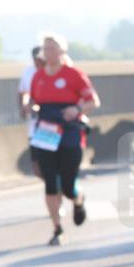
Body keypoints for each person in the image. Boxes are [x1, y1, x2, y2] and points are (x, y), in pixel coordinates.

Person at [26, 33, 100, 246]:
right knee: (50, 182)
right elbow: (34, 100)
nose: (48, 52)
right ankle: (57, 228)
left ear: (62, 51)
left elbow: (93, 101)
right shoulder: (38, 76)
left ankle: (77, 200)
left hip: (69, 132)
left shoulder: (74, 75)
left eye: (52, 48)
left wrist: (76, 108)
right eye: (45, 48)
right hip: (45, 133)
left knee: (68, 185)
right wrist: (31, 106)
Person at [18, 45, 46, 178]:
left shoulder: (53, 71)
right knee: (36, 161)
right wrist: (23, 107)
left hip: (51, 121)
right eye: (35, 59)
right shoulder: (29, 72)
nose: (37, 62)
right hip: (34, 120)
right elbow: (23, 92)